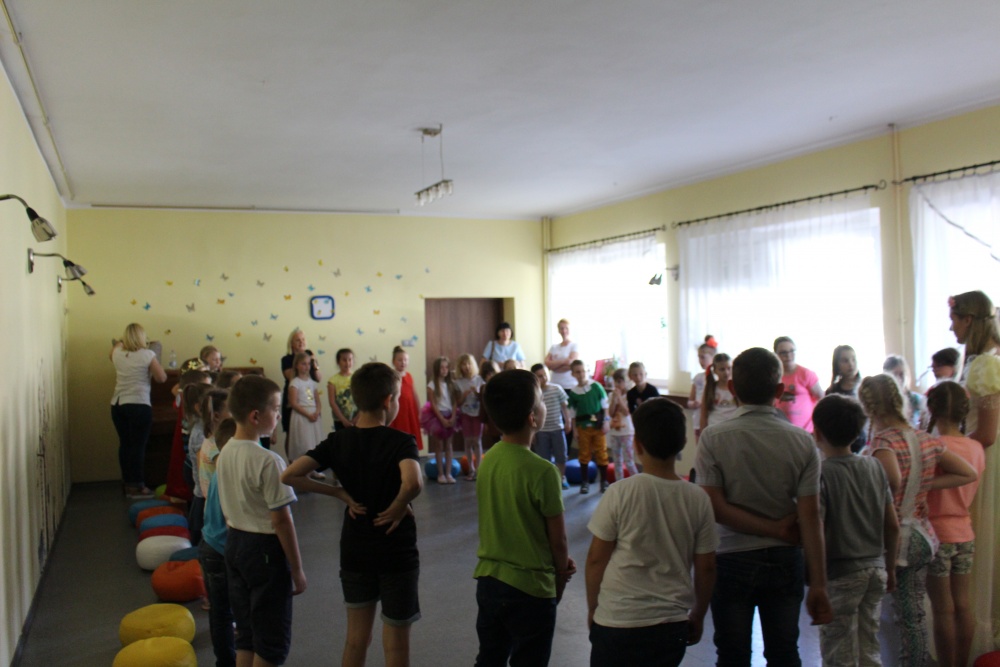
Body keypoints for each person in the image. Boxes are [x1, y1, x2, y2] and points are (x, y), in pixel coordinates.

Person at [694, 346, 833, 665]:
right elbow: (811, 517)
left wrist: (773, 529)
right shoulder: (802, 441)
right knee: (784, 653)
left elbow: (714, 507)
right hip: (784, 560)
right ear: (779, 391)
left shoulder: (713, 438)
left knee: (732, 655)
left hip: (730, 558)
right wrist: (819, 584)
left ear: (732, 388)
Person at [282, 362, 422, 667]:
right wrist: (400, 504)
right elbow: (413, 482)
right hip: (396, 552)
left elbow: (290, 474)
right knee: (396, 643)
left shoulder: (338, 441)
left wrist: (338, 492)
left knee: (356, 639)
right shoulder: (400, 441)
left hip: (356, 549)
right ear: (388, 401)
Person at [586, 398, 717, 667]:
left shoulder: (620, 492)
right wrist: (699, 614)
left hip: (616, 621)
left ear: (636, 444)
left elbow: (597, 559)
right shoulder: (698, 499)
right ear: (683, 444)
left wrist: (593, 608)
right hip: (670, 625)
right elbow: (706, 567)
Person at [859, 373, 977, 666]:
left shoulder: (883, 442)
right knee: (914, 616)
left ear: (869, 408)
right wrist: (923, 485)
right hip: (924, 535)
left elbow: (891, 482)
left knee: (885, 615)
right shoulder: (925, 438)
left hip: (894, 537)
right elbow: (967, 472)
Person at [473, 369, 576, 667]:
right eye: (542, 400)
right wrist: (560, 577)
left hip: (489, 582)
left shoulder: (488, 459)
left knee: (489, 658)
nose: (545, 405)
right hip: (531, 590)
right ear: (533, 418)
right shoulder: (544, 472)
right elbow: (559, 539)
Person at [216, 374, 306, 667]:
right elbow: (281, 521)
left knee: (247, 634)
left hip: (235, 544)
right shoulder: (269, 461)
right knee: (270, 642)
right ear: (256, 416)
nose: (278, 415)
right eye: (276, 409)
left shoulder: (225, 451)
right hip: (264, 550)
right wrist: (297, 569)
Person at [813, 394, 899, 667]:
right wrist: (890, 567)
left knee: (838, 651)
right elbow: (892, 525)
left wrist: (817, 580)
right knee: (869, 644)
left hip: (842, 572)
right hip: (876, 569)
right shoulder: (874, 466)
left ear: (817, 433)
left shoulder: (820, 474)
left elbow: (818, 529)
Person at [948, 290, 1000, 657]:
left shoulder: (985, 364)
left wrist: (950, 448)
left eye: (954, 320)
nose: (951, 327)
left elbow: (988, 433)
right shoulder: (981, 361)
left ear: (968, 319)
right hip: (979, 455)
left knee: (981, 537)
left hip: (984, 460)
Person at [925, 381, 986, 667]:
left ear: (932, 409)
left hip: (937, 535)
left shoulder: (933, 446)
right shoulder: (976, 447)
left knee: (943, 609)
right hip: (965, 533)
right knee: (963, 605)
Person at [110, 323, 167, 499]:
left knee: (125, 445)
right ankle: (138, 487)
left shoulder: (117, 353)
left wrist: (121, 342)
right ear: (142, 338)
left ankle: (128, 483)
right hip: (138, 404)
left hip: (118, 404)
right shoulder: (147, 354)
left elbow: (115, 348)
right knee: (138, 447)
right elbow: (161, 378)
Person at [199, 417, 238, 667]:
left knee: (220, 612)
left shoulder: (220, 468)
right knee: (232, 612)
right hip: (225, 550)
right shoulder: (232, 471)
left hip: (209, 545)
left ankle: (225, 662)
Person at [189, 388, 229, 546]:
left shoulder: (209, 439)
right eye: (232, 410)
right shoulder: (216, 447)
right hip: (217, 508)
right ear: (217, 416)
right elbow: (227, 477)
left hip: (209, 504)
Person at [567, 359, 610, 494]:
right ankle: (584, 482)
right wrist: (575, 430)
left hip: (598, 426)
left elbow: (605, 406)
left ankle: (603, 481)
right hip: (583, 427)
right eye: (577, 372)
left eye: (583, 371)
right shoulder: (574, 393)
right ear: (573, 374)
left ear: (587, 371)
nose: (581, 374)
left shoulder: (596, 387)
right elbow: (572, 413)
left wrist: (606, 421)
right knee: (584, 453)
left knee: (601, 452)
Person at [531, 364, 572, 489]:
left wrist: (568, 421)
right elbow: (531, 413)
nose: (544, 378)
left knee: (561, 456)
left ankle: (561, 478)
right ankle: (547, 480)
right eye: (540, 376)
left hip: (557, 429)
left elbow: (565, 407)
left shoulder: (557, 389)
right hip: (541, 431)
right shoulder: (534, 393)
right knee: (543, 458)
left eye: (545, 374)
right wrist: (532, 432)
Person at [281, 328, 321, 451]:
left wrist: (313, 362)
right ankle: (292, 460)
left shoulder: (310, 356)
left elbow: (318, 378)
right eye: (298, 340)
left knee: (311, 433)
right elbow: (290, 376)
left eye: (303, 339)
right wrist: (298, 362)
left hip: (310, 399)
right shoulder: (287, 359)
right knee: (291, 432)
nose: (301, 342)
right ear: (291, 343)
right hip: (294, 396)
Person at [773, 336, 824, 432]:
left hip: (807, 432)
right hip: (781, 431)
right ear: (776, 354)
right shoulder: (774, 376)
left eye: (792, 351)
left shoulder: (806, 374)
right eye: (783, 352)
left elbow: (822, 399)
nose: (788, 355)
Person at [420, 356, 458, 484]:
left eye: (446, 367)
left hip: (450, 415)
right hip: (437, 417)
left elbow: (454, 402)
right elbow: (433, 404)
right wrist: (441, 419)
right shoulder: (432, 385)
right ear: (437, 369)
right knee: (439, 445)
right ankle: (441, 474)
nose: (444, 370)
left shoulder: (451, 384)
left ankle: (448, 473)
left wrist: (453, 416)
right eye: (442, 367)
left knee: (449, 445)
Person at [287, 352, 324, 477]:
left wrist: (317, 412)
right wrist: (308, 415)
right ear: (297, 365)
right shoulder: (295, 383)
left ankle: (312, 470)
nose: (306, 366)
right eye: (303, 364)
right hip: (302, 416)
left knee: (314, 444)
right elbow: (293, 403)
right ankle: (303, 471)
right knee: (304, 444)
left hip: (313, 416)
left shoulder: (312, 383)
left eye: (308, 364)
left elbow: (318, 401)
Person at [826, 345, 867, 453]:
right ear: (837, 365)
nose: (851, 364)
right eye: (845, 361)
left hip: (864, 441)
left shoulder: (865, 387)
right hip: (841, 444)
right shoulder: (832, 391)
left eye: (853, 359)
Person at [454, 354, 485, 480]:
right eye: (463, 364)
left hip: (477, 415)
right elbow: (457, 402)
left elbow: (483, 397)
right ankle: (471, 469)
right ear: (460, 367)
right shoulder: (458, 383)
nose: (466, 367)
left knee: (477, 441)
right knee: (467, 441)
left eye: (469, 364)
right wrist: (464, 395)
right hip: (465, 414)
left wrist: (477, 393)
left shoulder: (479, 380)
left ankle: (479, 469)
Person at [388, 346, 423, 451]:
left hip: (410, 411)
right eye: (399, 360)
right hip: (398, 412)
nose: (403, 362)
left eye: (405, 360)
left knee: (410, 435)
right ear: (393, 361)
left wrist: (419, 411)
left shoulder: (409, 376)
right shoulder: (391, 376)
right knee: (399, 435)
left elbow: (414, 394)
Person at [608, 369, 639, 480]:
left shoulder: (630, 395)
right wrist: (614, 399)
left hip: (627, 432)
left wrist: (620, 398)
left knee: (629, 461)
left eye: (620, 381)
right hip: (614, 432)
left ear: (627, 381)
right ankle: (619, 484)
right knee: (617, 462)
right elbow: (611, 413)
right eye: (616, 381)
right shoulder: (612, 395)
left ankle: (638, 483)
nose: (617, 384)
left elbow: (626, 412)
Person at [883, 355, 927, 429]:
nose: (899, 379)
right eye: (894, 375)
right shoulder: (882, 402)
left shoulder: (918, 399)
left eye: (901, 374)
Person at [686, 336, 717, 438]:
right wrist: (693, 404)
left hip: (713, 422)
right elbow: (690, 401)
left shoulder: (717, 378)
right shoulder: (698, 378)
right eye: (698, 357)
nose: (700, 360)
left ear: (712, 357)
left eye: (703, 357)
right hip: (698, 422)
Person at [699, 352, 737, 431]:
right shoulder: (710, 388)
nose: (726, 372)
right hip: (714, 430)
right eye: (722, 369)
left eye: (729, 368)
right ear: (715, 371)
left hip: (733, 430)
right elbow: (703, 414)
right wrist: (702, 434)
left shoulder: (736, 387)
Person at [543, 318, 579, 390]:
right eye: (561, 328)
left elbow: (571, 364)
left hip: (569, 385)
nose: (564, 331)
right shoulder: (554, 347)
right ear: (558, 330)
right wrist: (564, 361)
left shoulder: (574, 346)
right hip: (554, 383)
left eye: (566, 328)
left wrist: (553, 366)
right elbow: (546, 363)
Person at [328, 348, 357, 431]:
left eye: (350, 360)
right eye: (344, 360)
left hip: (356, 419)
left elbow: (362, 400)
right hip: (340, 420)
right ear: (338, 362)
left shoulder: (357, 378)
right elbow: (332, 402)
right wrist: (343, 420)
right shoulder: (333, 380)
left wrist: (357, 418)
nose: (347, 363)